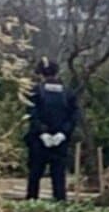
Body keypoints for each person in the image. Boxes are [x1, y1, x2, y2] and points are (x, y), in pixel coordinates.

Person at [25, 57, 80, 201]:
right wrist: (63, 133)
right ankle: (60, 202)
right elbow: (74, 116)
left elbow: (32, 114)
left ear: (41, 74)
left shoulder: (35, 92)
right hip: (60, 140)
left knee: (35, 174)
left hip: (38, 140)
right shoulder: (68, 93)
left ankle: (32, 202)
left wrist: (42, 132)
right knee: (59, 175)